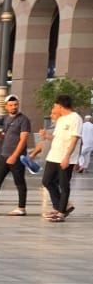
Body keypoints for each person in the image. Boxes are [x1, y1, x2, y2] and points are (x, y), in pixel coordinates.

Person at [41, 94, 81, 222]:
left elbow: (74, 140)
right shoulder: (61, 119)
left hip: (66, 157)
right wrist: (46, 136)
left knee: (64, 185)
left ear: (60, 106)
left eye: (54, 106)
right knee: (47, 181)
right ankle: (61, 206)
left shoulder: (75, 118)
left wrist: (67, 157)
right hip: (54, 156)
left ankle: (61, 213)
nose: (53, 108)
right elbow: (57, 138)